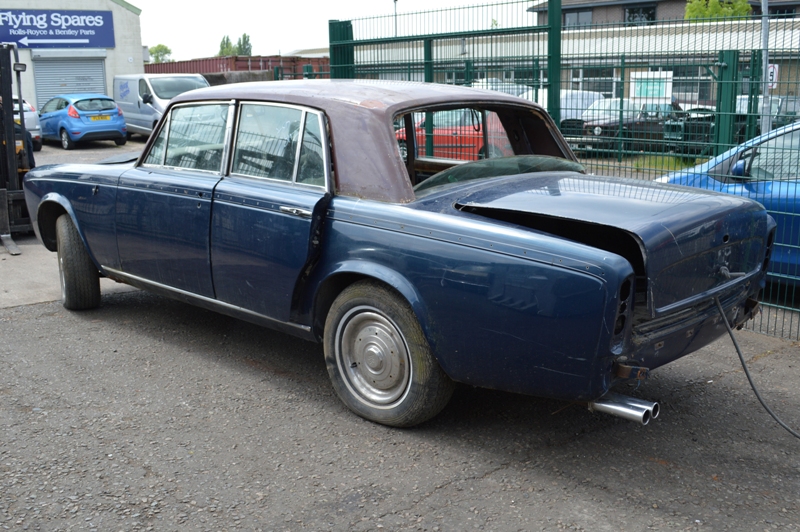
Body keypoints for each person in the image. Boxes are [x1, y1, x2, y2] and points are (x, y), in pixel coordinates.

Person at [0, 95, 35, 169]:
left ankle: (29, 163)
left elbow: (12, 106)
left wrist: (4, 101)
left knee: (26, 134)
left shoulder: (4, 91)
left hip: (5, 122)